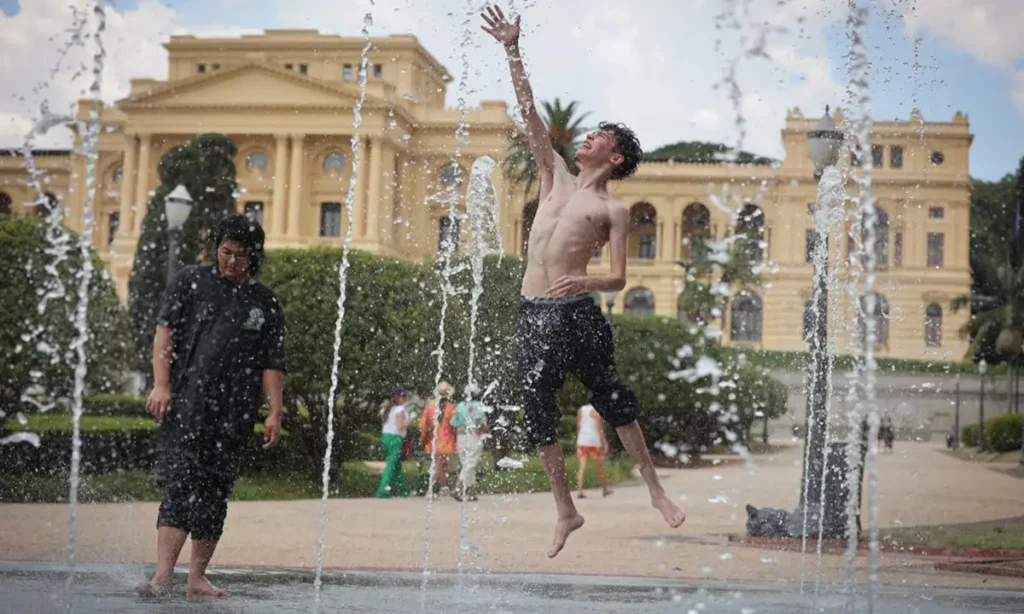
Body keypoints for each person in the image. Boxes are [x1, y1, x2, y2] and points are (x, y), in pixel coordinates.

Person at [481, 4, 686, 558]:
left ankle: (656, 491)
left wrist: (585, 283)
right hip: (533, 310)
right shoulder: (553, 175)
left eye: (597, 136)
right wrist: (512, 49)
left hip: (575, 312)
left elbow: (618, 277)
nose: (586, 138)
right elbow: (529, 111)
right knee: (537, 403)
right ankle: (565, 510)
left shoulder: (613, 211)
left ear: (613, 157)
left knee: (613, 397)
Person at [138, 214, 285, 598]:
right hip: (189, 405)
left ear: (255, 255)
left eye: (241, 255)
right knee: (181, 484)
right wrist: (161, 385)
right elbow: (164, 334)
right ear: (216, 248)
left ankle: (197, 576)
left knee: (214, 492)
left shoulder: (265, 302)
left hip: (235, 414)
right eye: (226, 252)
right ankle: (163, 576)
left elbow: (272, 363)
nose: (232, 261)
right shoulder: (191, 281)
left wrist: (274, 411)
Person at [450, 385, 489, 502]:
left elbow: (453, 423)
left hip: (460, 437)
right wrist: (485, 430)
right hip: (473, 436)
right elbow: (483, 424)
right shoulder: (479, 405)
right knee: (470, 464)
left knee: (466, 465)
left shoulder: (459, 406)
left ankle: (472, 492)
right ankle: (458, 488)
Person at [420, 381, 457, 497]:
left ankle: (443, 487)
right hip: (446, 441)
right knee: (439, 465)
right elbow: (454, 425)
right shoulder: (450, 407)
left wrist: (424, 438)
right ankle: (430, 489)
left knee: (442, 464)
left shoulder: (430, 405)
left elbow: (423, 424)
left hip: (434, 439)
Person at [377, 386, 412, 498]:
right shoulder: (400, 410)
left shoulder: (387, 409)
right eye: (403, 396)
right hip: (395, 438)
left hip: (385, 437)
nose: (405, 398)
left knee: (396, 466)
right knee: (391, 466)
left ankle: (403, 490)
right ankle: (382, 491)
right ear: (398, 398)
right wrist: (410, 420)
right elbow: (400, 426)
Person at [576, 403, 612, 499]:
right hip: (593, 441)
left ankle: (580, 490)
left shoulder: (581, 410)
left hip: (582, 440)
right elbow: (599, 428)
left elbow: (579, 426)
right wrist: (604, 442)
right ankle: (604, 489)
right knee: (600, 467)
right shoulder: (596, 411)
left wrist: (578, 441)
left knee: (582, 467)